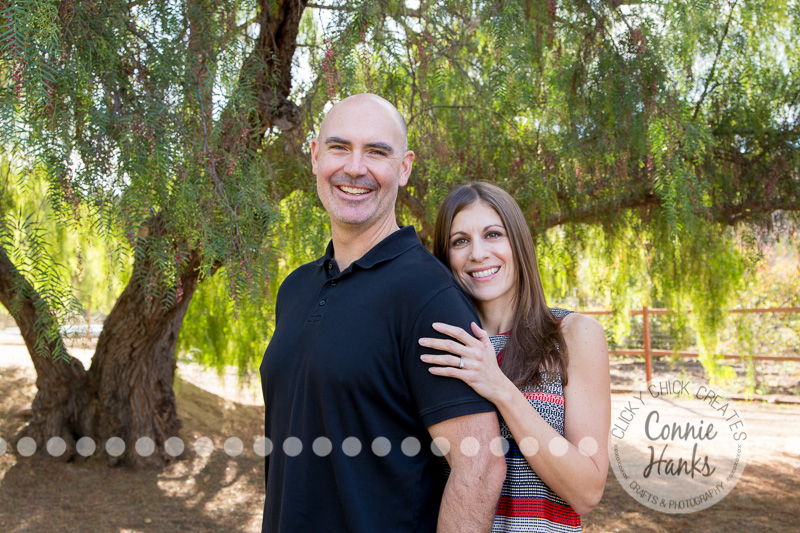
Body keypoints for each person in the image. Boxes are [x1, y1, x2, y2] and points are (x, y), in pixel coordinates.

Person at [260, 95, 506, 532]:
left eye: (377, 152)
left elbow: (480, 464)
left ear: (405, 167)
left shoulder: (428, 295)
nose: (355, 168)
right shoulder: (295, 289)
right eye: (339, 148)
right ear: (316, 156)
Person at [419, 182, 611, 532]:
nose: (477, 253)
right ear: (445, 257)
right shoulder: (441, 346)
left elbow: (587, 491)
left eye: (493, 234)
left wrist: (500, 388)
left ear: (518, 243)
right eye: (460, 241)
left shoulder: (573, 334)